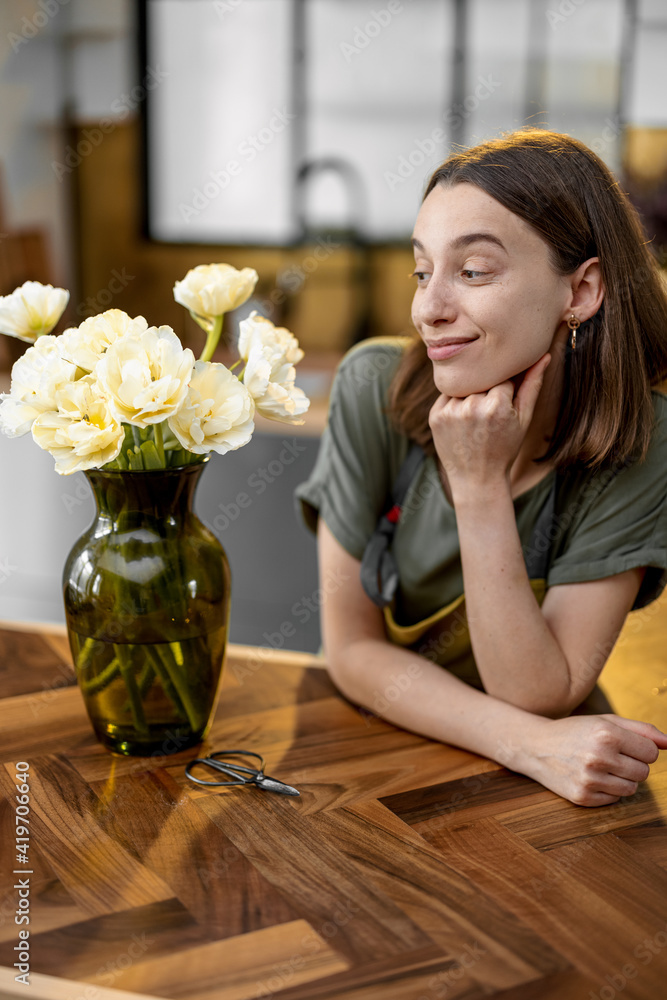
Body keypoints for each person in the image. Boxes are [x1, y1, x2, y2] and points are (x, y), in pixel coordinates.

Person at [295, 128, 667, 807]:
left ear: (581, 291)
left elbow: (539, 691)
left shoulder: (645, 441)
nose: (428, 309)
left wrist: (477, 487)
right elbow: (348, 649)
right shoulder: (370, 387)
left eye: (471, 272)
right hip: (397, 757)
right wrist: (524, 743)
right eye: (421, 270)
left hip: (562, 785)